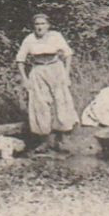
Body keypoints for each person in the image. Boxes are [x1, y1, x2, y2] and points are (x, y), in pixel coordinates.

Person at [15, 13, 78, 152]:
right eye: (37, 24)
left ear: (48, 25)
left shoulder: (56, 36)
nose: (40, 27)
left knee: (60, 101)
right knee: (40, 103)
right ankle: (44, 140)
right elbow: (20, 59)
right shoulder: (29, 39)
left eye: (43, 24)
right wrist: (25, 80)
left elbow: (68, 54)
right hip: (38, 71)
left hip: (56, 69)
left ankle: (62, 139)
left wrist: (66, 75)